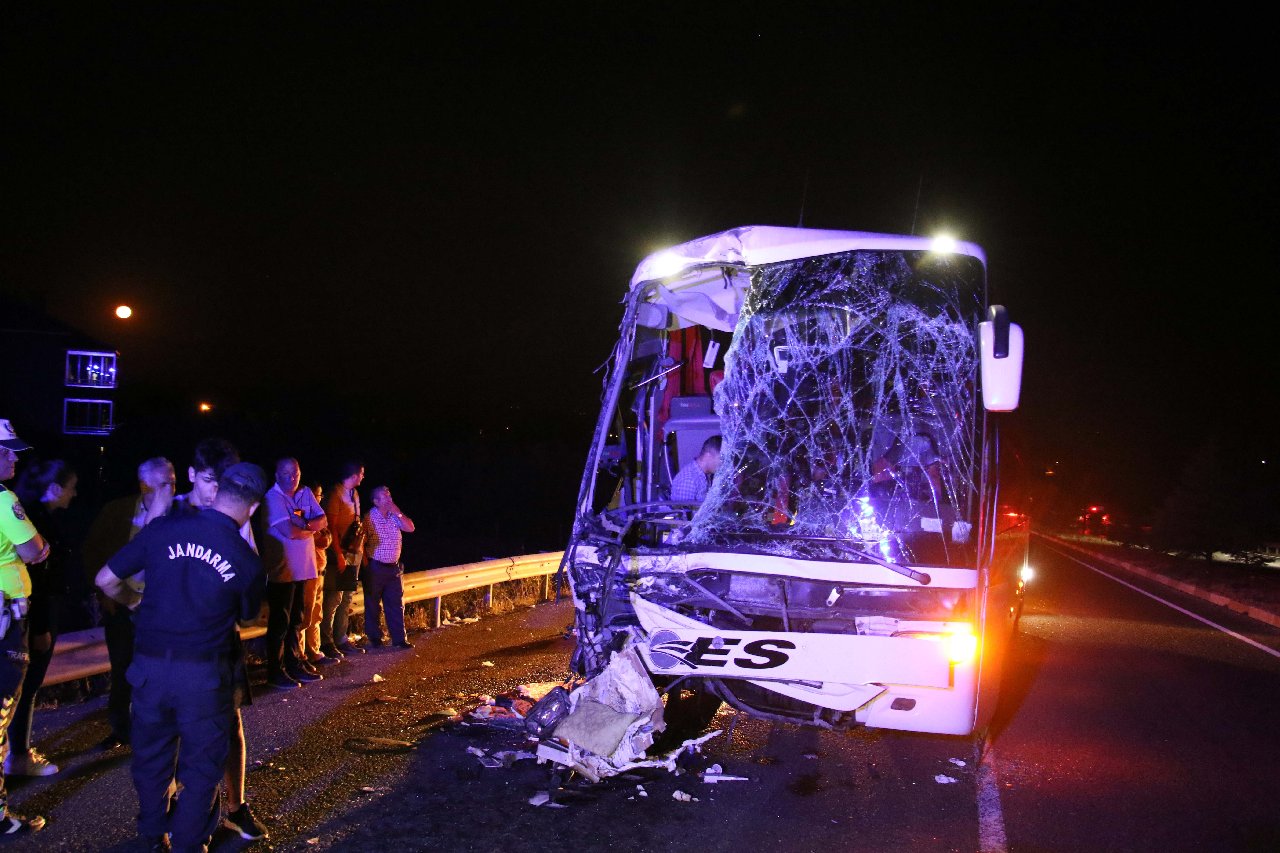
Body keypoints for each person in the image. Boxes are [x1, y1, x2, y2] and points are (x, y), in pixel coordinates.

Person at [96, 463, 268, 853]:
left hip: (150, 671)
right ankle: (191, 844)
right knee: (201, 769)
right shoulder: (246, 560)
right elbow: (247, 616)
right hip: (203, 678)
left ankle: (153, 837)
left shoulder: (163, 530)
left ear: (217, 489)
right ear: (254, 508)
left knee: (152, 760)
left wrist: (136, 602)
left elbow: (105, 579)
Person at [170, 438, 269, 842]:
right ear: (193, 475)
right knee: (179, 731)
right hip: (175, 642)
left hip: (221, 639)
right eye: (212, 481)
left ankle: (236, 806)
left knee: (231, 726)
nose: (218, 490)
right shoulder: (172, 512)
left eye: (225, 482)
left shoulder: (236, 515)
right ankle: (182, 810)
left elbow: (250, 575)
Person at [83, 456, 177, 751]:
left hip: (162, 609)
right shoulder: (118, 511)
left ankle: (161, 731)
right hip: (122, 605)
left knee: (163, 672)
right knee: (123, 666)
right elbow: (92, 550)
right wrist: (104, 595)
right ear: (144, 485)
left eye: (173, 482)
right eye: (163, 484)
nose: (170, 489)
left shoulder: (183, 516)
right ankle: (121, 729)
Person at [6, 460, 77, 779]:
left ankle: (15, 752)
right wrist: (43, 627)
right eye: (71, 488)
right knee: (25, 686)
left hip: (26, 612)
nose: (74, 496)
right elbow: (39, 572)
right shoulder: (33, 520)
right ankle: (18, 755)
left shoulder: (38, 514)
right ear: (54, 489)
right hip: (30, 614)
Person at [0, 419, 49, 836]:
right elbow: (34, 550)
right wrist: (41, 547)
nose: (14, 457)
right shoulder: (3, 500)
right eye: (5, 450)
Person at [262, 458, 327, 689]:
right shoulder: (273, 498)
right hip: (283, 570)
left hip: (303, 569)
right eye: (288, 473)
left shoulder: (301, 494)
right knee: (281, 622)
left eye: (296, 472)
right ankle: (275, 671)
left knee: (297, 619)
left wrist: (305, 525)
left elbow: (322, 520)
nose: (293, 477)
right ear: (277, 474)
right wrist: (308, 527)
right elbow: (289, 531)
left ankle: (294, 663)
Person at [362, 486, 416, 648]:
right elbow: (361, 543)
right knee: (372, 605)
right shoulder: (369, 517)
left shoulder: (394, 515)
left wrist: (398, 512)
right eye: (384, 497)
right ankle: (375, 638)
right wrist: (366, 566)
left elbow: (410, 528)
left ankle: (399, 639)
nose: (389, 499)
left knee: (396, 604)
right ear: (376, 501)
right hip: (376, 566)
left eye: (389, 495)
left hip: (394, 568)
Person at [321, 462, 365, 658]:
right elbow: (331, 527)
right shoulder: (335, 494)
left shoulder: (354, 494)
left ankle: (341, 639)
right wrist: (338, 554)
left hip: (354, 551)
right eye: (361, 474)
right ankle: (326, 641)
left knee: (346, 597)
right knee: (334, 598)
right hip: (340, 553)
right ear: (354, 475)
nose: (363, 477)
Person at [302, 482, 336, 664]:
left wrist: (323, 536)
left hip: (319, 571)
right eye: (316, 495)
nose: (318, 499)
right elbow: (319, 538)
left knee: (316, 615)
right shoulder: (299, 513)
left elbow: (326, 537)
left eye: (320, 495)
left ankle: (314, 651)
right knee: (305, 616)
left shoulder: (318, 516)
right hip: (308, 572)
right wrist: (321, 536)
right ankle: (301, 655)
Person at [669, 435, 722, 504]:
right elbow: (685, 514)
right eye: (721, 459)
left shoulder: (704, 475)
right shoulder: (689, 480)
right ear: (708, 456)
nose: (723, 464)